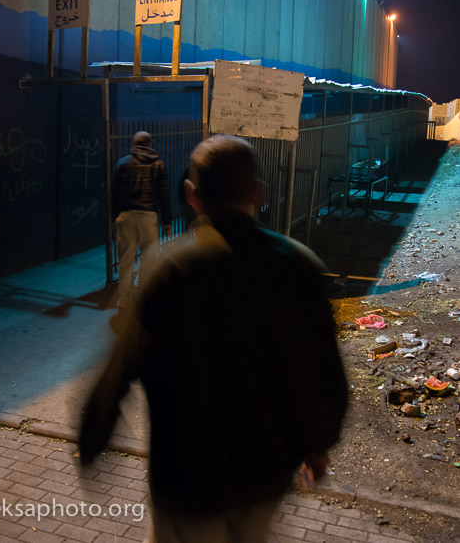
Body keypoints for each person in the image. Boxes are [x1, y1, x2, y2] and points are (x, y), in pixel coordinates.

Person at [80, 134, 348, 543]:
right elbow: (322, 371)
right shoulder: (298, 266)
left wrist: (93, 435)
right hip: (265, 478)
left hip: (186, 485)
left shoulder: (166, 269)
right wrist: (318, 443)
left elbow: (119, 368)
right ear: (258, 193)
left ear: (193, 195)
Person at [112, 131, 171, 310]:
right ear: (149, 144)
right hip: (149, 216)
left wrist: (114, 217)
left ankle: (124, 299)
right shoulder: (158, 164)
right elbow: (164, 194)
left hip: (126, 216)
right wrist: (167, 221)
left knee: (126, 260)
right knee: (149, 258)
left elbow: (114, 193)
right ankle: (145, 297)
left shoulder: (123, 163)